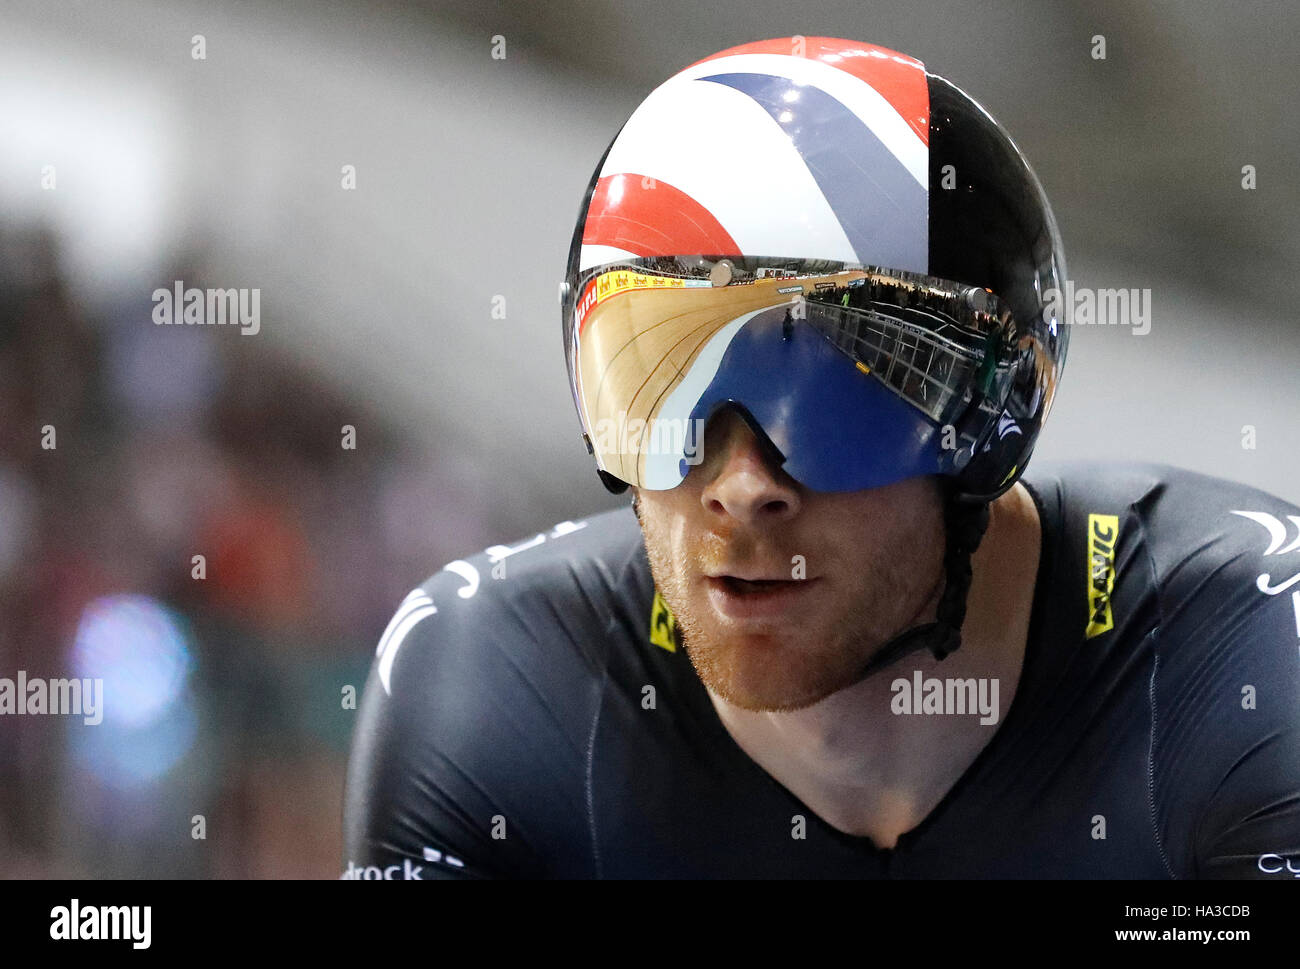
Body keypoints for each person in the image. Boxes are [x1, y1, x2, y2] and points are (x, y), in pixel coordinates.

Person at [343, 37, 1300, 879]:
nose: (743, 487)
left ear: (990, 418)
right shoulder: (492, 684)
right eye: (657, 387)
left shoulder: (1245, 649)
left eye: (837, 401)